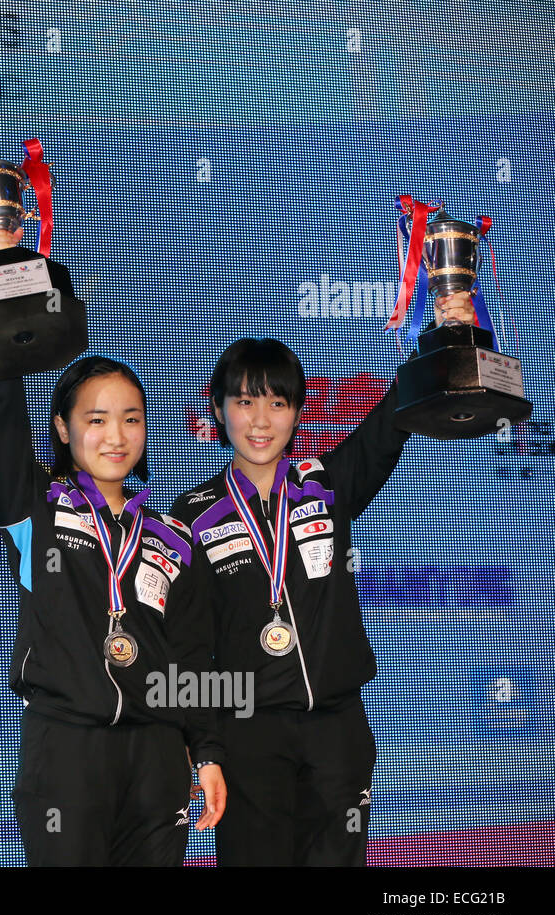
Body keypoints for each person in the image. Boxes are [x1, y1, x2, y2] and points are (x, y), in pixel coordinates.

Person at [168, 294, 470, 866]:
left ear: (299, 411)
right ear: (217, 407)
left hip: (337, 729)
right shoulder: (190, 516)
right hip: (247, 733)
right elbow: (187, 646)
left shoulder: (326, 485)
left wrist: (445, 329)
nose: (261, 421)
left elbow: (388, 423)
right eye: (245, 401)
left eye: (278, 403)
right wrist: (204, 748)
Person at [0, 227, 226, 866]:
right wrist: (0, 280)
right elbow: (4, 421)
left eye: (131, 418)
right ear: (62, 429)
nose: (116, 435)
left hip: (157, 756)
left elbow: (193, 654)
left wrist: (208, 752)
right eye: (96, 419)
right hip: (67, 752)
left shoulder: (173, 537)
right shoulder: (37, 511)